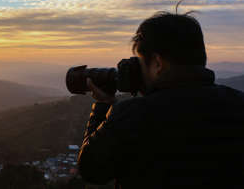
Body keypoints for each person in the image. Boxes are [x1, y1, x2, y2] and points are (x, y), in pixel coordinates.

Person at [77, 11, 244, 189]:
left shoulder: (133, 115)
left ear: (157, 63)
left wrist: (102, 105)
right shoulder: (238, 104)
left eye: (141, 63)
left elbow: (91, 169)